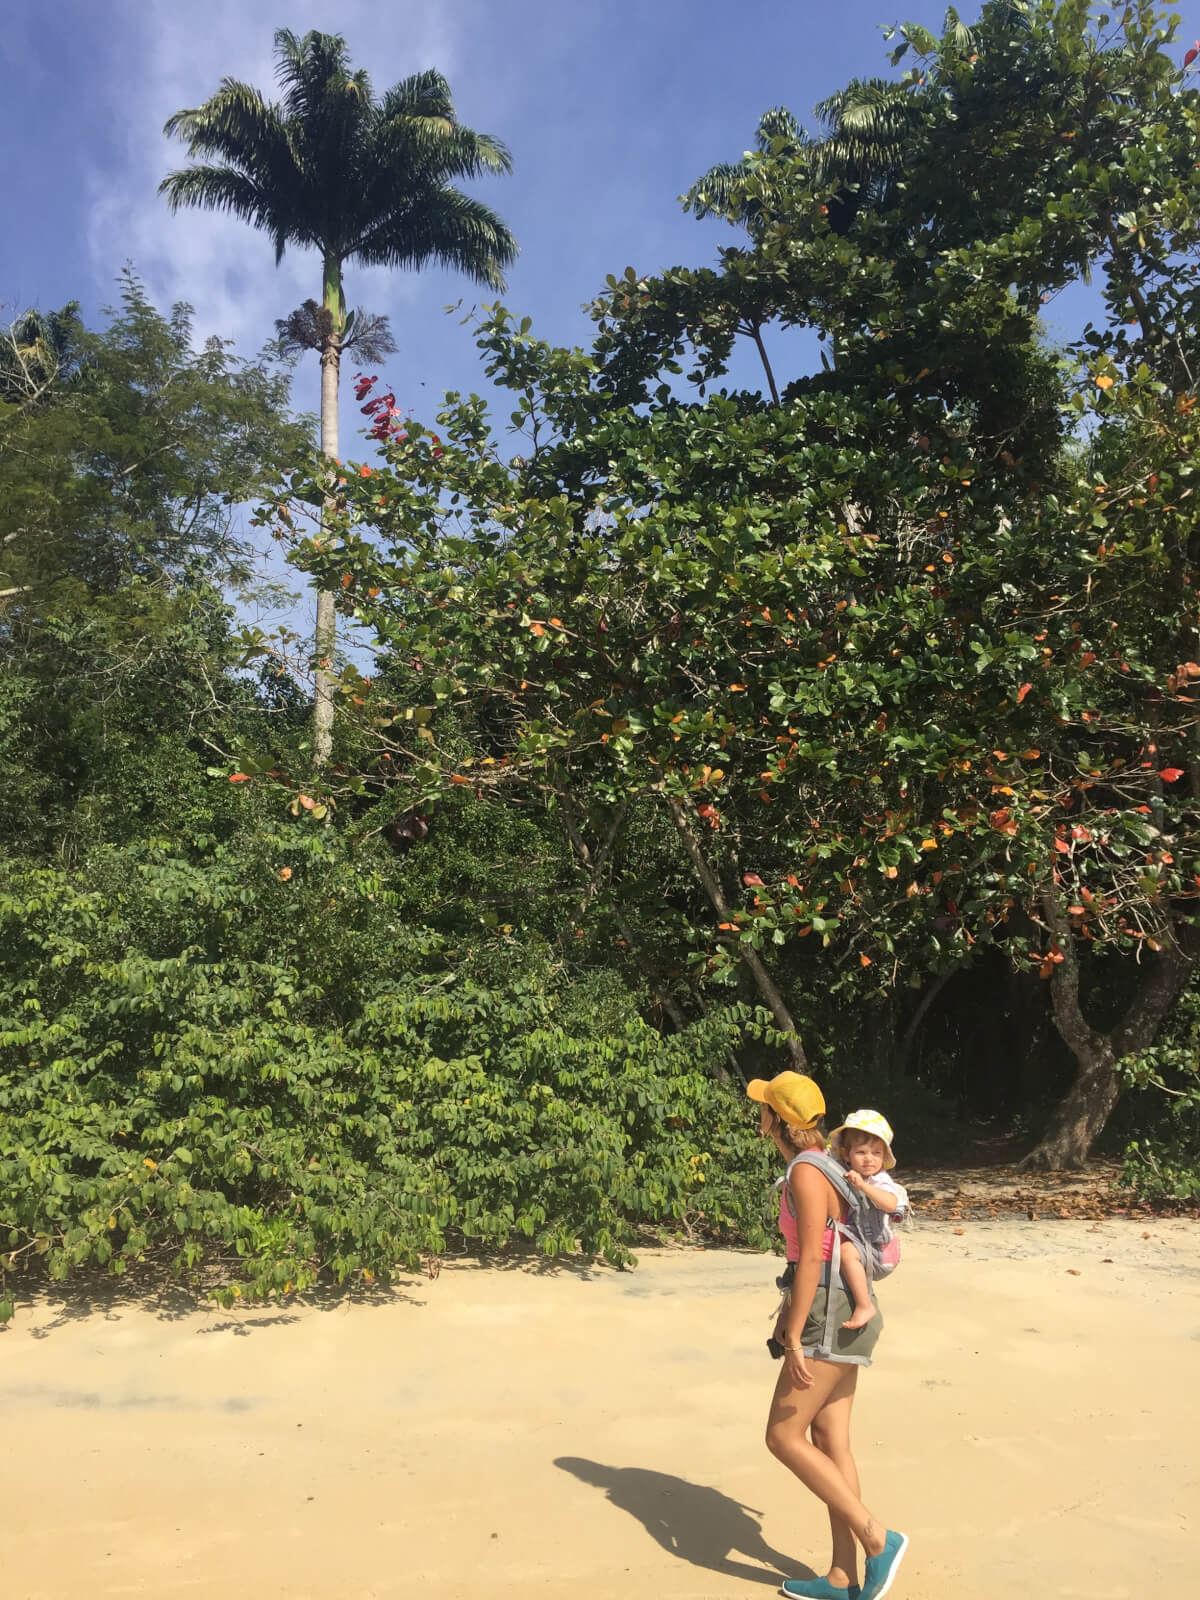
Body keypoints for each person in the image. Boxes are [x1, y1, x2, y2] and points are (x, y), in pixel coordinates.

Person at [748, 1070, 909, 1600]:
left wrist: (793, 1334)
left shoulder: (807, 1174)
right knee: (829, 1441)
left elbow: (814, 1256)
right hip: (840, 1310)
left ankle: (876, 1538)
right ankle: (842, 1576)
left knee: (782, 1437)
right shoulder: (825, 1166)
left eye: (764, 1107)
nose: (759, 1114)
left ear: (776, 1119)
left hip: (826, 1313)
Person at [826, 1111, 909, 1332]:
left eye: (876, 1153)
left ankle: (865, 1305)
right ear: (846, 1154)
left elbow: (891, 1203)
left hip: (880, 1250)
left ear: (884, 1156)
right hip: (865, 1244)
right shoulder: (845, 1171)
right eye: (861, 1152)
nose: (869, 1158)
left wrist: (863, 1187)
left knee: (846, 1252)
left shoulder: (879, 1179)